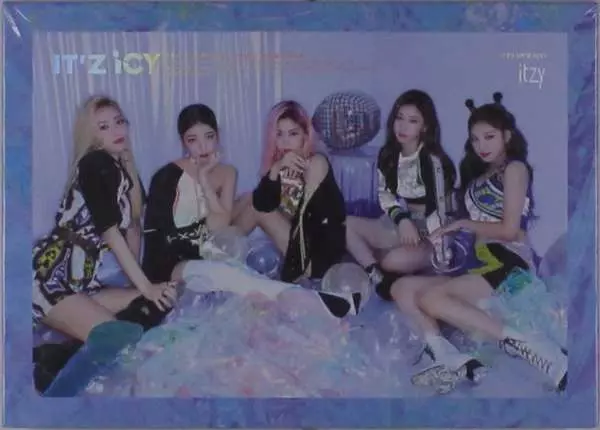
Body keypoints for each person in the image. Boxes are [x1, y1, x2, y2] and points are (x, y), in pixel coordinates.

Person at [393, 93, 567, 393]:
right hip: (479, 263)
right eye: (475, 139)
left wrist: (462, 224)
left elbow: (509, 229)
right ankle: (449, 357)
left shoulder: (515, 169)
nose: (481, 145)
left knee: (431, 299)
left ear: (506, 136)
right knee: (402, 288)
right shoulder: (478, 177)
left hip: (506, 261)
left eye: (489, 137)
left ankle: (529, 345)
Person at [32, 95, 178, 392]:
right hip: (50, 279)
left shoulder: (122, 169)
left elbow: (133, 228)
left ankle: (56, 356)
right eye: (103, 126)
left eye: (119, 121)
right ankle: (54, 395)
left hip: (81, 283)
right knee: (118, 338)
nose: (116, 130)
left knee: (152, 304)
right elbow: (110, 232)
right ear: (91, 134)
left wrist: (140, 287)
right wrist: (146, 287)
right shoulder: (95, 163)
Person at [230, 100, 351, 315]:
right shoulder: (282, 168)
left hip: (318, 260)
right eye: (279, 134)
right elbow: (262, 201)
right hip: (299, 251)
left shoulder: (316, 163)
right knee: (249, 198)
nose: (285, 141)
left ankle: (218, 257)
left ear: (306, 136)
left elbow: (308, 222)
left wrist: (290, 278)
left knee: (255, 206)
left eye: (293, 134)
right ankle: (218, 249)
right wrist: (276, 169)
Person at [345, 89, 457, 300]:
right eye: (399, 118)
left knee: (391, 261)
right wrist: (402, 220)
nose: (403, 126)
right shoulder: (388, 154)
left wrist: (439, 252)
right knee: (346, 225)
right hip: (401, 222)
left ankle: (397, 266)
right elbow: (385, 196)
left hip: (434, 231)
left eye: (413, 121)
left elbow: (441, 212)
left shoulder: (433, 161)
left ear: (425, 126)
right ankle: (377, 276)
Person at [142, 103, 237, 284]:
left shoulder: (228, 172)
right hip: (172, 263)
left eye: (209, 136)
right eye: (193, 140)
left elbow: (220, 225)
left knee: (237, 271)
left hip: (207, 252)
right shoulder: (167, 176)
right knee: (230, 275)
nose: (203, 147)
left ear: (218, 135)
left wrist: (204, 178)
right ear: (183, 142)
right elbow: (157, 238)